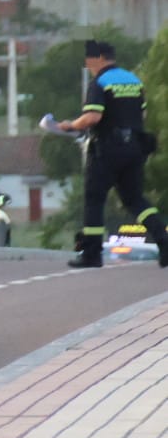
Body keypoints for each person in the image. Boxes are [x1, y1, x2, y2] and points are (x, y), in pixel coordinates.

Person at [53, 39, 168, 268]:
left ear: (99, 58)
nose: (88, 64)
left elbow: (93, 117)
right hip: (135, 147)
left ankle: (92, 255)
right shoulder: (134, 80)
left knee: (94, 200)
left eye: (89, 59)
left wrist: (70, 125)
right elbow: (141, 116)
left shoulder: (100, 82)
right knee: (135, 200)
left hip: (108, 148)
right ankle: (164, 242)